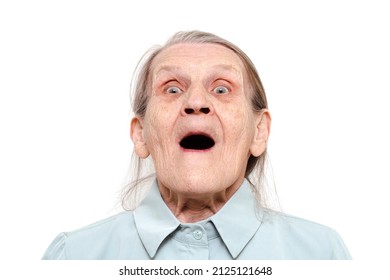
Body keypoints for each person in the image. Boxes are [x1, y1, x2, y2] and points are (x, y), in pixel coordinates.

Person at [42, 30, 351, 260]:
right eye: (172, 88)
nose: (196, 102)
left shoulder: (322, 255)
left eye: (221, 88)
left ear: (259, 131)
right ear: (140, 134)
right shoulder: (72, 257)